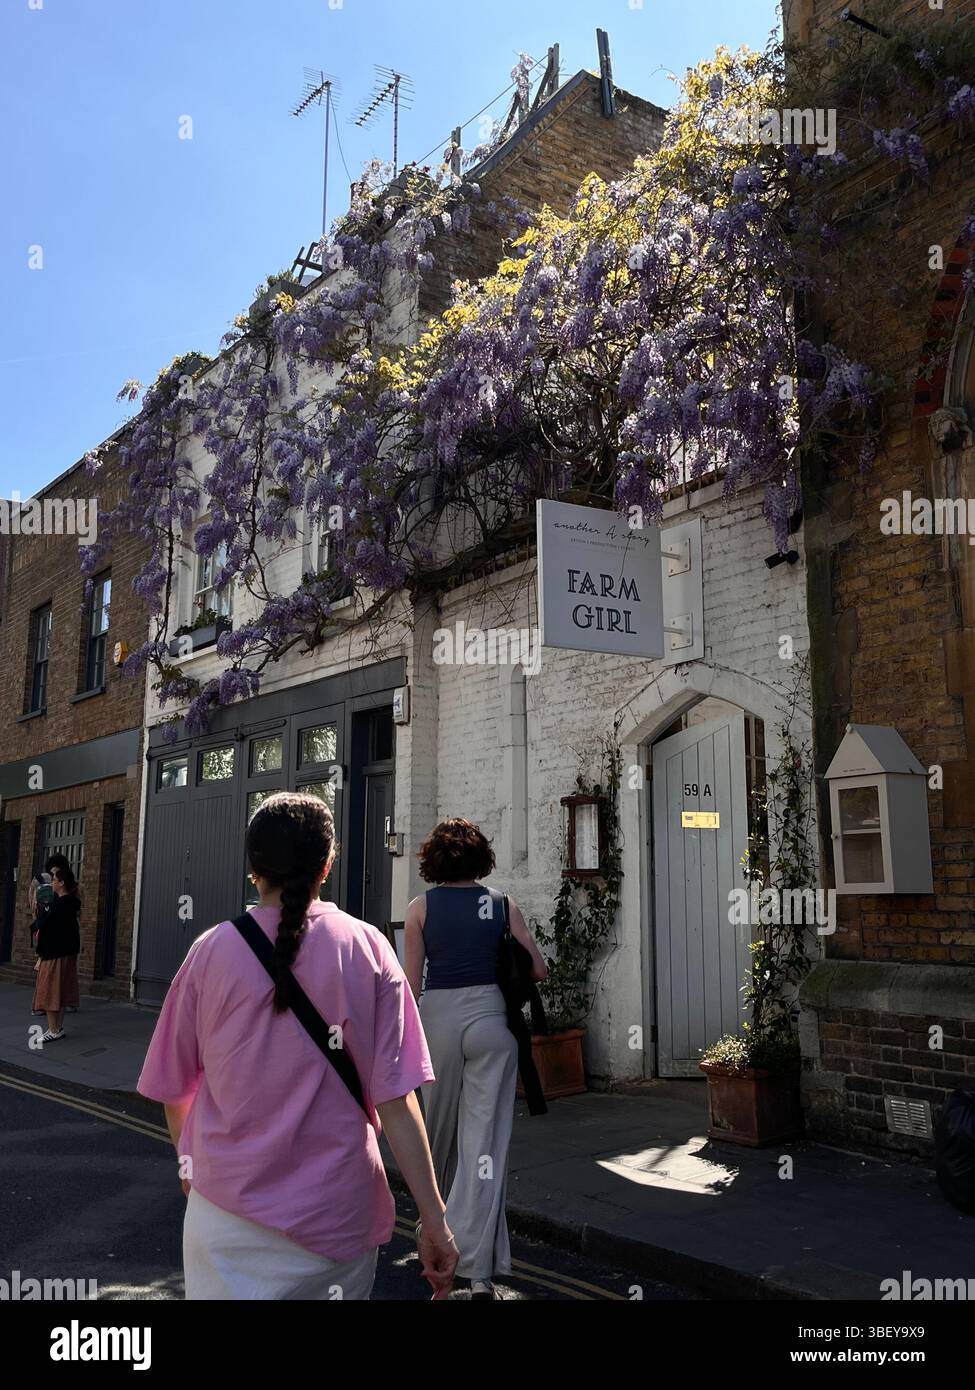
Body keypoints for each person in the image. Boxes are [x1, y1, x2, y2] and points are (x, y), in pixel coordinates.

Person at [137, 791, 459, 1301]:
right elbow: (397, 1101)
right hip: (338, 1221)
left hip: (224, 1221)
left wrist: (188, 1164)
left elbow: (174, 1089)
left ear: (253, 868)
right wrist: (435, 1221)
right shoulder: (370, 948)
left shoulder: (210, 952)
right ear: (327, 865)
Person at [404, 817, 547, 1301]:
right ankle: (478, 1270)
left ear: (433, 861)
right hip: (492, 1021)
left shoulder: (420, 908)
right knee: (484, 1147)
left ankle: (433, 1235)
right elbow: (539, 970)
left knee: (436, 1138)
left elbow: (409, 983)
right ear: (481, 858)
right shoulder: (502, 904)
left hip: (438, 1019)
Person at [32, 863, 81, 1042]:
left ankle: (53, 1030)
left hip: (53, 953)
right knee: (60, 992)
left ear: (61, 883)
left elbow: (45, 929)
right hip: (68, 953)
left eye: (54, 879)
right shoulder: (71, 903)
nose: (51, 882)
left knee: (49, 992)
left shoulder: (57, 906)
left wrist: (41, 954)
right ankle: (57, 1028)